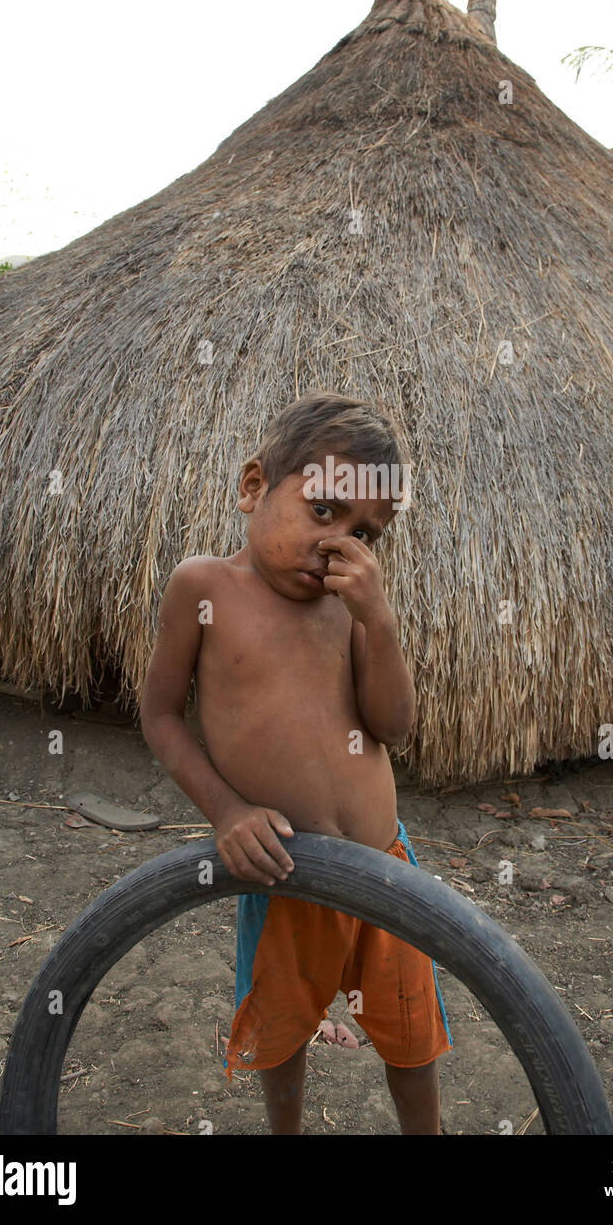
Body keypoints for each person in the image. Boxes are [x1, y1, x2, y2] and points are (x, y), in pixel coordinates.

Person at [139, 391, 452, 1134]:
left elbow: (392, 726)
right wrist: (227, 811)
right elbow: (159, 717)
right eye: (323, 511)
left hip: (382, 861)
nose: (338, 544)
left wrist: (380, 621)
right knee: (279, 1035)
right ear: (254, 487)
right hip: (282, 873)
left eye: (365, 533)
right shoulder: (204, 589)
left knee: (409, 1035)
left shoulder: (348, 608)